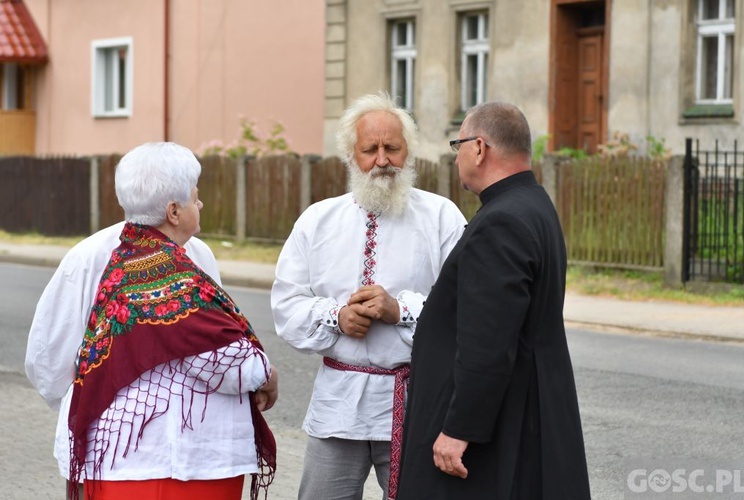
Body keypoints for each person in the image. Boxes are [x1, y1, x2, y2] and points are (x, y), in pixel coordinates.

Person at [25, 142, 278, 500]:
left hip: (179, 455)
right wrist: (265, 374)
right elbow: (216, 350)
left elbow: (48, 360)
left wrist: (85, 407)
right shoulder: (103, 260)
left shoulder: (196, 253)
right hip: (140, 461)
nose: (201, 202)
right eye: (195, 195)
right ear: (174, 211)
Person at [271, 92, 466, 500]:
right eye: (370, 149)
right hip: (338, 405)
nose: (382, 160)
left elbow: (465, 307)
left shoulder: (442, 218)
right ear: (350, 155)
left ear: (407, 152)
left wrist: (401, 310)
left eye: (392, 148)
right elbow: (286, 305)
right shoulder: (318, 221)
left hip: (415, 405)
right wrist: (336, 316)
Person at [396, 102, 591, 499]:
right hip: (526, 409)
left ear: (480, 148)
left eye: (458, 146)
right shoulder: (534, 205)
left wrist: (457, 430)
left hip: (497, 431)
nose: (458, 157)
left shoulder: (500, 221)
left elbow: (487, 343)